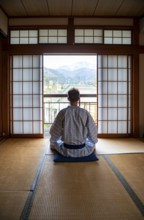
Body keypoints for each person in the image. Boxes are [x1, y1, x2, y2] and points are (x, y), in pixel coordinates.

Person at [50, 88, 98, 157]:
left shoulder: (63, 112)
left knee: (53, 144)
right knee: (92, 144)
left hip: (66, 150)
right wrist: (93, 141)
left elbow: (54, 130)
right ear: (79, 98)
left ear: (68, 98)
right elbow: (92, 130)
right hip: (82, 149)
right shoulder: (85, 112)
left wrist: (54, 140)